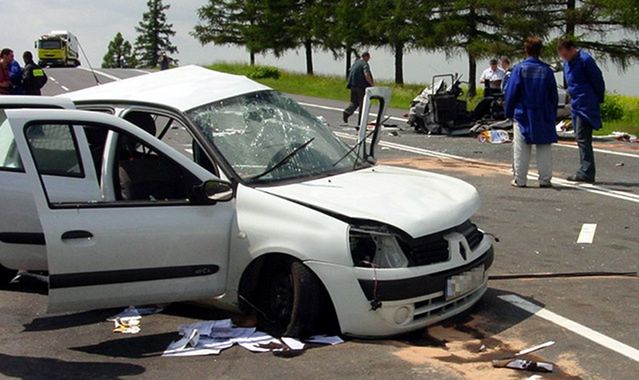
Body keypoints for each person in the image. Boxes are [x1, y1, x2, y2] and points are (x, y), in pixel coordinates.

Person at [505, 37, 559, 188]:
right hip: (543, 113)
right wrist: (552, 114)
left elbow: (511, 92)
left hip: (523, 112)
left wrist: (509, 111)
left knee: (521, 147)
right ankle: (545, 179)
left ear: (525, 49)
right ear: (540, 50)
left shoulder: (519, 69)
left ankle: (520, 179)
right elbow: (553, 95)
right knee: (544, 147)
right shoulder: (546, 70)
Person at [557, 38, 605, 183]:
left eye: (565, 54)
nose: (564, 58)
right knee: (579, 137)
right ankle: (585, 168)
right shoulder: (567, 63)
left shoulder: (585, 60)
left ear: (572, 49)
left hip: (586, 103)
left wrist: (597, 99)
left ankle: (587, 171)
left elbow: (598, 81)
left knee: (584, 138)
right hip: (576, 103)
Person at [343, 52, 374, 124]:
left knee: (354, 102)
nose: (368, 59)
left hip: (352, 85)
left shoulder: (355, 63)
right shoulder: (364, 64)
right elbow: (366, 74)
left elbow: (350, 71)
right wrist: (371, 84)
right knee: (363, 105)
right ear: (366, 56)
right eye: (368, 58)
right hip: (361, 87)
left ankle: (347, 112)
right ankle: (361, 123)